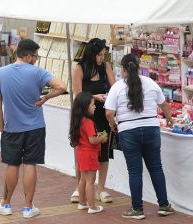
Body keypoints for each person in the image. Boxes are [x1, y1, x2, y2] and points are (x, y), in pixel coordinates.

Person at [0, 39, 66, 219]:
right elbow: (62, 87)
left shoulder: (1, 73)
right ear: (27, 56)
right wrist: (46, 98)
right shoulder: (37, 72)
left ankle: (6, 204)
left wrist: (2, 125)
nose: (37, 59)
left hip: (12, 127)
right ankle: (27, 207)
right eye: (35, 56)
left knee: (12, 164)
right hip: (35, 127)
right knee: (30, 164)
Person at [104, 54, 175, 220]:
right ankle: (164, 205)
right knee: (156, 167)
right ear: (139, 66)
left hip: (128, 131)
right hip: (151, 127)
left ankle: (137, 209)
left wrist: (113, 124)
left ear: (122, 69)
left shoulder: (117, 87)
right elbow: (164, 104)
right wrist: (169, 119)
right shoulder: (150, 82)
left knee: (135, 171)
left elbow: (109, 112)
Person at [71, 38, 115, 203]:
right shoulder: (79, 69)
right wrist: (94, 97)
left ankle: (101, 188)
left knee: (103, 151)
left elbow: (115, 89)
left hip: (103, 117)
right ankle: (80, 187)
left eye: (104, 55)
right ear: (91, 54)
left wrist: (108, 98)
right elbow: (78, 95)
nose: (102, 58)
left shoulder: (106, 67)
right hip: (86, 117)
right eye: (100, 55)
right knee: (84, 151)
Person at [69, 92, 107, 214]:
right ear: (86, 107)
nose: (95, 107)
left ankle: (82, 203)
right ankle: (92, 206)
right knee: (91, 181)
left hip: (81, 152)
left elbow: (86, 137)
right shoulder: (89, 122)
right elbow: (92, 140)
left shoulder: (78, 120)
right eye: (92, 104)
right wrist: (102, 138)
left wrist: (97, 136)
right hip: (89, 153)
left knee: (83, 179)